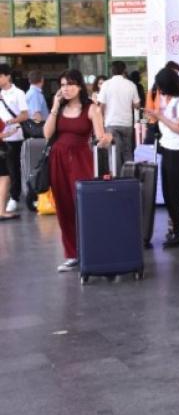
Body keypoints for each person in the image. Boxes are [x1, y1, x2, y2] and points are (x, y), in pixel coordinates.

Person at [44, 69, 112, 271]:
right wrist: (55, 106)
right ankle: (72, 253)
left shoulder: (91, 109)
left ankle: (92, 250)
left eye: (70, 84)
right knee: (64, 207)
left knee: (84, 206)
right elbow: (47, 133)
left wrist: (107, 139)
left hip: (81, 160)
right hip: (57, 160)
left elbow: (100, 137)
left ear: (80, 86)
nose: (65, 88)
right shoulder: (59, 108)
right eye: (62, 85)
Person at [144, 68, 179, 249]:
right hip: (168, 148)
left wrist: (160, 117)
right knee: (168, 193)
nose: (160, 91)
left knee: (176, 194)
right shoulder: (173, 98)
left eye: (162, 87)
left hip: (178, 151)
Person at [98, 61, 140, 174]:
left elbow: (101, 105)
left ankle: (117, 178)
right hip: (127, 123)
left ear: (112, 71)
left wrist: (100, 121)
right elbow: (137, 105)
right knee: (127, 151)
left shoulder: (106, 85)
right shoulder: (131, 85)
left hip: (111, 123)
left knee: (114, 152)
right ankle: (130, 176)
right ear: (124, 70)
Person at [0, 64, 29, 213]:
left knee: (13, 169)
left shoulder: (18, 93)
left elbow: (25, 115)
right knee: (2, 172)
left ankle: (14, 198)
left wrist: (11, 122)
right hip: (1, 137)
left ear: (7, 76)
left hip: (14, 137)